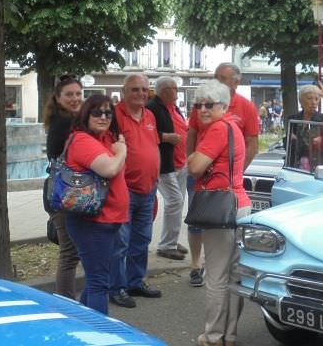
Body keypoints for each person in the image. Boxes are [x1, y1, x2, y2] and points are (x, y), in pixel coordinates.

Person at [187, 79, 251, 346]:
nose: (202, 109)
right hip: (239, 203)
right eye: (198, 104)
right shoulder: (233, 127)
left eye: (209, 105)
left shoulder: (216, 129)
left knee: (215, 276)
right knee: (234, 275)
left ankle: (212, 337)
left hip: (220, 207)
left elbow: (194, 167)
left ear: (223, 106)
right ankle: (229, 335)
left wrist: (192, 156)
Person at [185, 63, 259, 287]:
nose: (203, 109)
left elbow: (252, 144)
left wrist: (231, 171)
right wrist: (194, 158)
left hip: (223, 189)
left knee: (218, 275)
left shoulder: (244, 108)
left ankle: (218, 323)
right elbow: (192, 134)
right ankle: (196, 264)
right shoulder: (207, 102)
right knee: (197, 223)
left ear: (236, 82)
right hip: (207, 179)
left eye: (223, 78)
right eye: (216, 76)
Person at [64, 94, 128, 315]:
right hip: (92, 222)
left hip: (106, 220)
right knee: (99, 283)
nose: (103, 117)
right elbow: (109, 169)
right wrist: (122, 151)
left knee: (97, 279)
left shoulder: (104, 138)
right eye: (97, 112)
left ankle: (82, 324)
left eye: (108, 113)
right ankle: (100, 336)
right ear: (85, 114)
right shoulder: (82, 140)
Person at [109, 74, 161, 308]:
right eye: (135, 89)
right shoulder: (114, 117)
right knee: (120, 242)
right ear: (124, 91)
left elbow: (152, 146)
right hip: (124, 189)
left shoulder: (149, 115)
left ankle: (135, 282)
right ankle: (116, 287)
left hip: (148, 188)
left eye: (144, 89)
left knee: (142, 239)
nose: (140, 93)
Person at [43, 75, 83, 300]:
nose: (75, 98)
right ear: (58, 98)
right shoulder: (65, 122)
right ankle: (66, 303)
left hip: (62, 192)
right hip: (64, 193)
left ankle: (67, 300)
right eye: (69, 94)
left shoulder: (65, 119)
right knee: (69, 253)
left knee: (70, 252)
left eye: (78, 93)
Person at [147, 76, 188, 261]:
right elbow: (145, 131)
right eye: (174, 88)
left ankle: (171, 240)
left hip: (179, 162)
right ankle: (166, 245)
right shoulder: (152, 107)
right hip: (164, 164)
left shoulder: (173, 107)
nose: (177, 92)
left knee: (176, 204)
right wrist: (165, 137)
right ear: (164, 90)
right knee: (175, 201)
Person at [287, 84, 323, 171]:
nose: (314, 102)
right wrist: (291, 140)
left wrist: (321, 142)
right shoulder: (293, 119)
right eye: (309, 98)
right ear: (301, 101)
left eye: (316, 99)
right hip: (296, 166)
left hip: (319, 167)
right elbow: (287, 146)